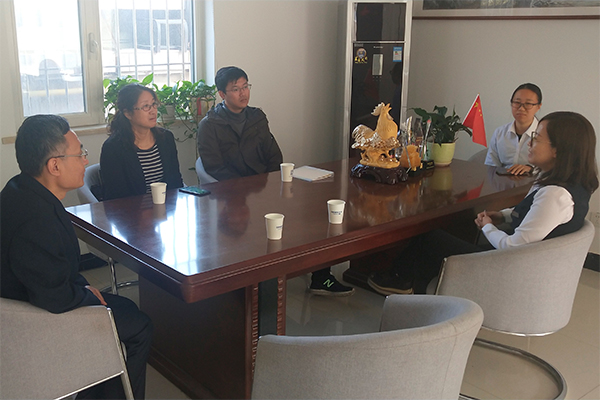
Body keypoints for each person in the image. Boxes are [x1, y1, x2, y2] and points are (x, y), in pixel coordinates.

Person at [1, 115, 153, 399]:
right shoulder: (34, 221)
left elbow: (51, 269)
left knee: (127, 309)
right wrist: (85, 294)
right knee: (139, 326)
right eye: (80, 153)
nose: (86, 160)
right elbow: (54, 297)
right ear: (54, 166)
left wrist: (82, 286)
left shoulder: (22, 188)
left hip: (36, 297)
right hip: (34, 320)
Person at [369, 111, 598, 295]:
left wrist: (488, 226)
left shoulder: (555, 195)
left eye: (537, 138)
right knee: (446, 233)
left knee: (429, 237)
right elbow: (536, 217)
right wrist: (503, 215)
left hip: (507, 271)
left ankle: (402, 282)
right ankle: (413, 287)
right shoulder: (569, 185)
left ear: (558, 150)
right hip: (526, 267)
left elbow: (512, 247)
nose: (530, 143)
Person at [198, 66, 354, 296]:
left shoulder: (257, 117)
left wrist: (271, 183)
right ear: (222, 94)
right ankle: (261, 285)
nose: (243, 93)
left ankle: (321, 277)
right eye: (236, 89)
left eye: (245, 86)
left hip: (265, 188)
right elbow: (214, 166)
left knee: (311, 217)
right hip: (233, 197)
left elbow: (273, 154)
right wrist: (245, 187)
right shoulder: (210, 125)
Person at [100, 83, 183, 200]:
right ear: (128, 113)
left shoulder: (166, 138)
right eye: (146, 106)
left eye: (154, 104)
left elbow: (175, 182)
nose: (153, 111)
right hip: (131, 209)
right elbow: (117, 195)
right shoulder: (113, 148)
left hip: (167, 206)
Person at [485, 83, 543, 175]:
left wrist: (531, 169)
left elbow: (552, 167)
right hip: (502, 180)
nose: (521, 108)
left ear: (538, 106)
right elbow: (491, 166)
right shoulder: (500, 133)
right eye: (517, 103)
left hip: (534, 181)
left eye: (528, 104)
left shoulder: (545, 135)